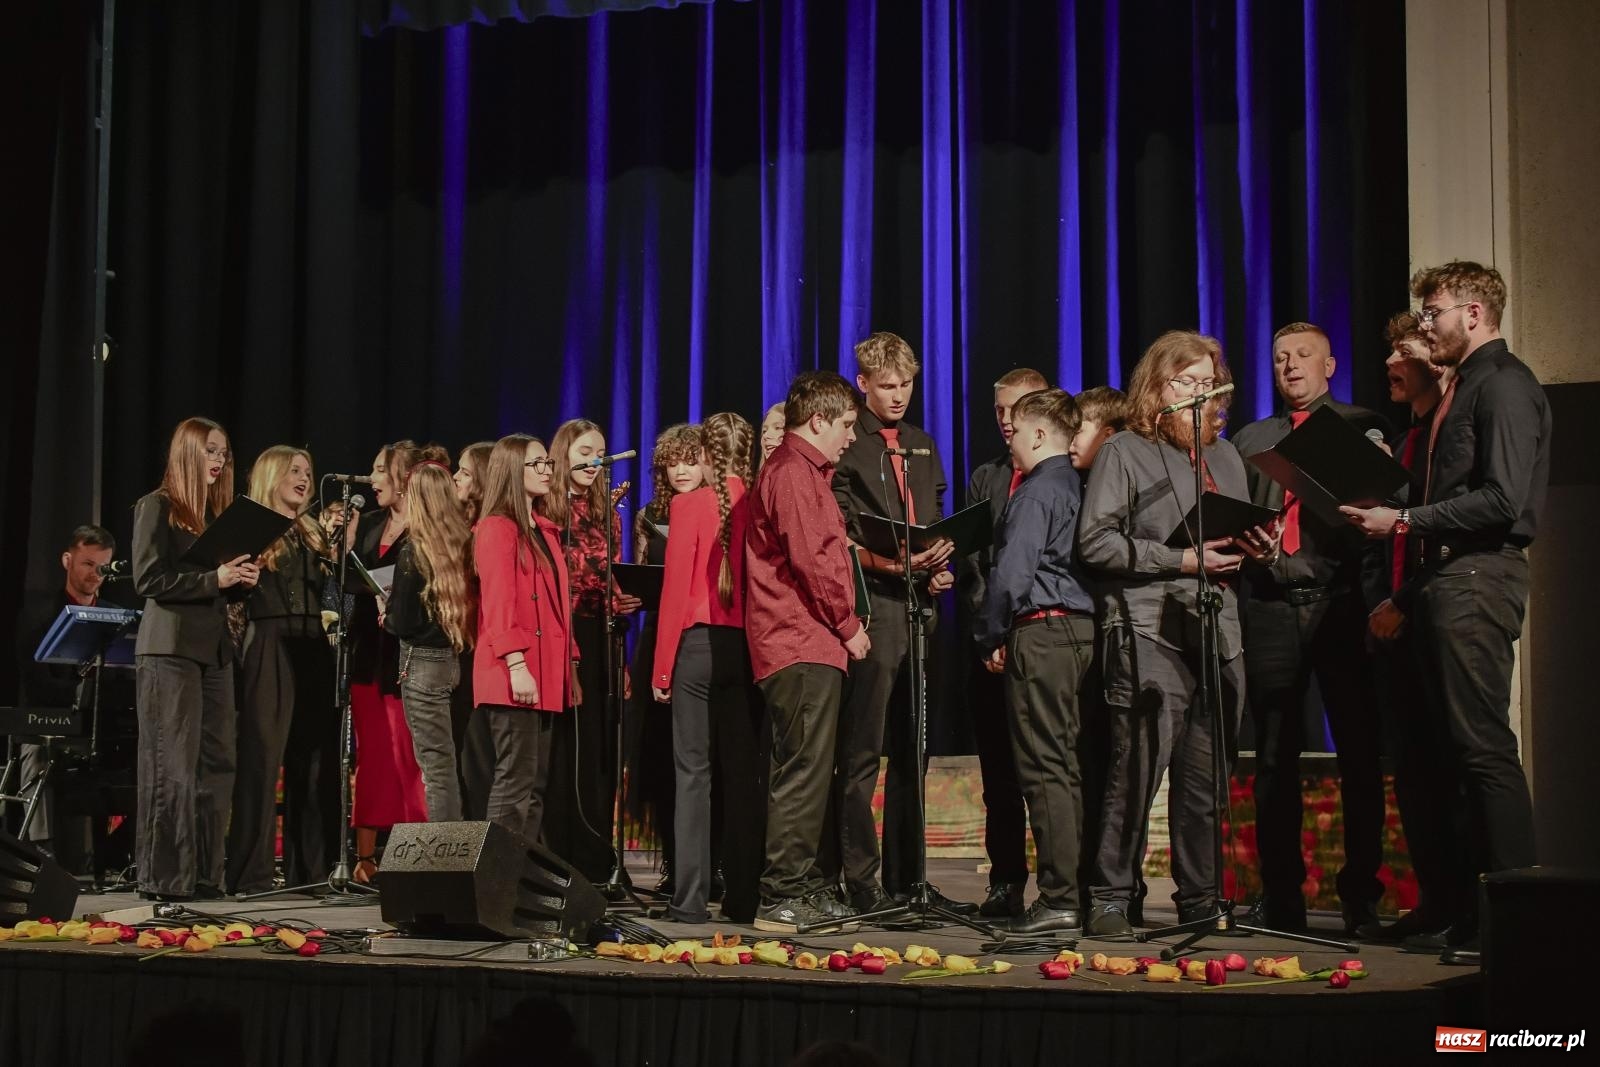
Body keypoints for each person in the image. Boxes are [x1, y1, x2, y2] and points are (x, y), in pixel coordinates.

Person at [1341, 261, 1551, 965]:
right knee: (1454, 756)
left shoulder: (1505, 384)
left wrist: (1403, 519)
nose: (1425, 326)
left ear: (1474, 312)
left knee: (1484, 752)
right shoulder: (1466, 388)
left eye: (1433, 312)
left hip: (1477, 580)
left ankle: (1519, 925)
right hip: (1445, 582)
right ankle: (1468, 916)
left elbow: (1504, 500)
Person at [1077, 332, 1271, 935]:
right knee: (1137, 768)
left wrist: (1257, 549)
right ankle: (1110, 895)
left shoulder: (1227, 457)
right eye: (1184, 381)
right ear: (1156, 387)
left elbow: (1229, 537)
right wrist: (1180, 560)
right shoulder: (1126, 451)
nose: (1197, 393)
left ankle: (1200, 898)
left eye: (1206, 382)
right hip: (1148, 630)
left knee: (1204, 776)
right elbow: (1095, 542)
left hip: (1218, 631)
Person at [1230, 322, 1390, 934]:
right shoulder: (1252, 438)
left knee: (1357, 753)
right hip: (1269, 605)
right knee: (1273, 757)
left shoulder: (1361, 425)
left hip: (1341, 605)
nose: (1290, 366)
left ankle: (1361, 898)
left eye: (1302, 356)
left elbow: (1378, 521)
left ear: (1330, 365)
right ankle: (1282, 897)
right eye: (1279, 359)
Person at [828, 331, 963, 914]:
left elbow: (932, 515)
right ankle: (861, 878)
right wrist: (890, 562)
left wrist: (938, 564)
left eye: (906, 384)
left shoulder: (922, 443)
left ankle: (910, 879)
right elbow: (838, 535)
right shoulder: (847, 444)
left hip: (919, 609)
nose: (899, 394)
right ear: (863, 385)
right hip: (874, 607)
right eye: (887, 386)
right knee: (862, 750)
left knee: (915, 746)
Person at [746, 370, 871, 932]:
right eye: (846, 424)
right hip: (800, 641)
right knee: (801, 771)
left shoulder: (804, 473)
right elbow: (812, 562)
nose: (851, 436)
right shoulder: (793, 473)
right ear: (817, 419)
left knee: (810, 770)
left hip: (806, 641)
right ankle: (781, 895)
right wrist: (847, 625)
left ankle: (807, 886)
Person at [975, 388, 1096, 934]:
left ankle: (1059, 897)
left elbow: (1011, 576)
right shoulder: (1075, 484)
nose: (1014, 445)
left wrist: (988, 634)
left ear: (1041, 435)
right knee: (1064, 767)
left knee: (1044, 769)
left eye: (1019, 433)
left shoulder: (1037, 492)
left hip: (1042, 632)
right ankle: (1071, 891)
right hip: (1074, 633)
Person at [1355, 311, 1458, 944]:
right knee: (1413, 772)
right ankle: (1436, 901)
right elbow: (1382, 542)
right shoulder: (1406, 438)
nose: (1390, 362)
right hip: (1391, 620)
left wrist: (1406, 603)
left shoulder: (1448, 436)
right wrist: (1378, 603)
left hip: (1430, 613)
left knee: (1451, 767)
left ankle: (1469, 909)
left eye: (1403, 350)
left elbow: (1444, 539)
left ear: (1435, 360)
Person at [131, 417, 257, 900]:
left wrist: (241, 579)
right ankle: (164, 879)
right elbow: (148, 581)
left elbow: (220, 588)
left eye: (224, 452)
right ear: (187, 452)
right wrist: (214, 580)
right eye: (210, 451)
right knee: (172, 767)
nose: (220, 460)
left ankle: (206, 876)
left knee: (217, 765)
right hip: (170, 650)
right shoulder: (156, 507)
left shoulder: (214, 518)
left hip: (214, 651)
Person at [652, 413, 764, 923]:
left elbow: (675, 592)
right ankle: (743, 899)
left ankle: (690, 901)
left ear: (703, 454)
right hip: (747, 650)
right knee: (743, 778)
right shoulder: (760, 501)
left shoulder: (689, 505)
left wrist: (660, 671)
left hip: (695, 650)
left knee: (692, 777)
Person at [225, 446, 339, 894]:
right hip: (269, 642)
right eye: (294, 470)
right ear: (271, 474)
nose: (304, 478)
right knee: (261, 760)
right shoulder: (250, 527)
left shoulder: (314, 533)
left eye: (308, 471)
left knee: (312, 763)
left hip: (313, 645)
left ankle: (309, 874)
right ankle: (249, 873)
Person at [955, 367, 1046, 920]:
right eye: (999, 412)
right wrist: (989, 634)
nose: (1006, 421)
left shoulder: (1061, 476)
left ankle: (1067, 885)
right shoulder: (986, 477)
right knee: (1000, 776)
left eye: (1017, 408)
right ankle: (1006, 882)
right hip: (989, 648)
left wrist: (1020, 631)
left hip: (1042, 639)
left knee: (1048, 770)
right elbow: (973, 563)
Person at [537, 419, 641, 882]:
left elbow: (607, 579)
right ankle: (557, 854)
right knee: (563, 748)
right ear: (563, 455)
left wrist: (623, 598)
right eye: (584, 451)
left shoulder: (608, 516)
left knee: (599, 748)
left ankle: (595, 855)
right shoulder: (546, 512)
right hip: (561, 633)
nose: (593, 460)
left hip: (603, 637)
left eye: (600, 451)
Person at [473, 434, 577, 842]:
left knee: (534, 785)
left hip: (545, 675)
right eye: (537, 464)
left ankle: (520, 885)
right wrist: (517, 665)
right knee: (515, 782)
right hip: (512, 673)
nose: (546, 471)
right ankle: (492, 890)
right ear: (512, 471)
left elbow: (555, 609)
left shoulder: (543, 530)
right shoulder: (497, 528)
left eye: (547, 464)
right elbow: (498, 603)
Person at [347, 441, 436, 883]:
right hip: (368, 653)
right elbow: (347, 583)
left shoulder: (425, 527)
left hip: (406, 654)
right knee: (373, 759)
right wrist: (341, 548)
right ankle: (365, 859)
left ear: (404, 478)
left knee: (410, 759)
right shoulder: (368, 524)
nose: (373, 478)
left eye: (380, 469)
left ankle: (416, 858)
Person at [1062, 384, 1134, 920]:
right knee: (1083, 765)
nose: (1069, 439)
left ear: (1108, 437)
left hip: (1114, 637)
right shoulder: (1069, 484)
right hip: (1080, 642)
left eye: (1079, 428)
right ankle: (1087, 888)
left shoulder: (1116, 487)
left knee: (1113, 766)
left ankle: (1114, 892)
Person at [628, 423, 706, 896]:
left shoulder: (720, 508)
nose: (681, 470)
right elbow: (640, 573)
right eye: (673, 462)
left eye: (690, 460)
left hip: (699, 636)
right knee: (659, 754)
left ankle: (705, 866)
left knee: (698, 758)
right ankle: (674, 866)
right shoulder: (650, 514)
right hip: (658, 635)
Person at [12, 525, 117, 867]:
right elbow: (35, 680)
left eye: (103, 566)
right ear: (67, 560)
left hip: (105, 723)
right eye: (87, 564)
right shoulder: (39, 615)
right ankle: (41, 852)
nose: (95, 574)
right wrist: (80, 688)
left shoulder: (116, 616)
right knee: (36, 752)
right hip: (53, 716)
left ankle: (120, 856)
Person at [385, 460, 476, 822]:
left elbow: (402, 622)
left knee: (435, 767)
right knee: (449, 761)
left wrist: (386, 609)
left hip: (422, 663)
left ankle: (444, 863)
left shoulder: (413, 552)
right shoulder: (462, 543)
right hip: (453, 661)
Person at [451, 440, 497, 820]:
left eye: (464, 472)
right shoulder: (461, 524)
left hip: (479, 651)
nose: (455, 478)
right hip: (460, 650)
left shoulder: (487, 529)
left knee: (478, 758)